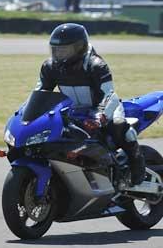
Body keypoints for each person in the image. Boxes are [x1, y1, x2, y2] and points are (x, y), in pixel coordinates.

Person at [36, 23, 145, 185]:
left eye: (64, 49)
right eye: (56, 49)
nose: (58, 54)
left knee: (118, 125)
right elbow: (41, 93)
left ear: (79, 47)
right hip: (73, 111)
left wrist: (101, 115)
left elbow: (109, 94)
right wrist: (29, 114)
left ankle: (138, 164)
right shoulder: (50, 66)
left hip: (103, 107)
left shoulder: (95, 65)